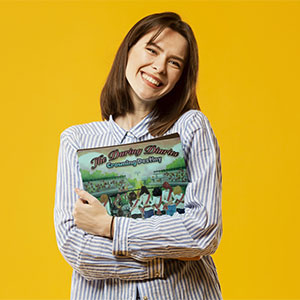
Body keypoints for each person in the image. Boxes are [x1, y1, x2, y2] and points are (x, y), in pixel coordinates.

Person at [54, 12, 222, 300]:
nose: (159, 67)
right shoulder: (77, 140)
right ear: (128, 49)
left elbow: (201, 232)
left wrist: (110, 227)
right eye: (152, 50)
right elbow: (77, 248)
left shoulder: (191, 127)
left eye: (174, 62)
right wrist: (162, 259)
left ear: (182, 76)